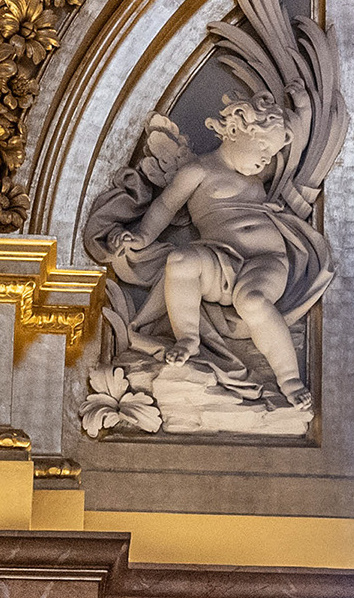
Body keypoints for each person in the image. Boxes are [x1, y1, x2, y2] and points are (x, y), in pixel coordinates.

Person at [104, 98, 314, 412]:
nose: (264, 160)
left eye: (270, 155)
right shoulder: (198, 170)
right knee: (181, 261)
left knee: (253, 301)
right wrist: (142, 236)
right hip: (220, 259)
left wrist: (305, 110)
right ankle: (187, 337)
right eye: (261, 150)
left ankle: (289, 378)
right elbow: (165, 206)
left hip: (266, 260)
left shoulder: (259, 174)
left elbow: (298, 154)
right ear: (235, 130)